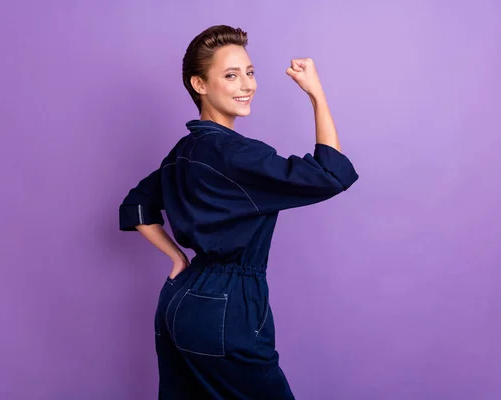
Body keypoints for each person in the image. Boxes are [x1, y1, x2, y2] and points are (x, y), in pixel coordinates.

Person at [119, 25, 359, 400]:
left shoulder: (184, 150)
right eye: (231, 76)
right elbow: (331, 174)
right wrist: (316, 93)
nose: (247, 85)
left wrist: (177, 257)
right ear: (200, 85)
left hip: (178, 302)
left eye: (249, 72)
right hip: (228, 308)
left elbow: (135, 206)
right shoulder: (238, 154)